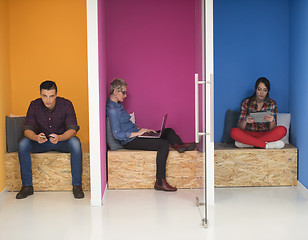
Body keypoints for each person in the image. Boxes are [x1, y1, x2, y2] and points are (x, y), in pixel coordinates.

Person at [106, 78, 196, 192]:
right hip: (129, 141)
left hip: (136, 135)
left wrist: (142, 129)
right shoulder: (112, 110)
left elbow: (125, 125)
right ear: (115, 91)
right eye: (123, 92)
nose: (125, 95)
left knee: (167, 131)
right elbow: (117, 134)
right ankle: (160, 181)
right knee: (163, 144)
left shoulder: (118, 106)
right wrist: (138, 133)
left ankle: (179, 146)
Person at [16, 80, 84, 199]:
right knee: (23, 144)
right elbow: (27, 130)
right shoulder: (34, 105)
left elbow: (73, 129)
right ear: (40, 94)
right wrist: (36, 137)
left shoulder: (66, 104)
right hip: (42, 142)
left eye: (51, 96)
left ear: (56, 95)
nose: (48, 100)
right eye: (44, 96)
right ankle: (27, 187)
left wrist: (60, 137)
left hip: (61, 141)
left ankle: (77, 186)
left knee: (75, 143)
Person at [230, 77, 287, 149]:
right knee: (234, 131)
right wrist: (245, 120)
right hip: (249, 134)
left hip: (266, 134)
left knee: (282, 130)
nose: (261, 93)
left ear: (267, 91)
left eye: (265, 90)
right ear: (255, 89)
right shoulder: (246, 102)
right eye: (259, 89)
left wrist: (272, 121)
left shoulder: (272, 104)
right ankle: (265, 145)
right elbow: (240, 127)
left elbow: (273, 129)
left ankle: (250, 143)